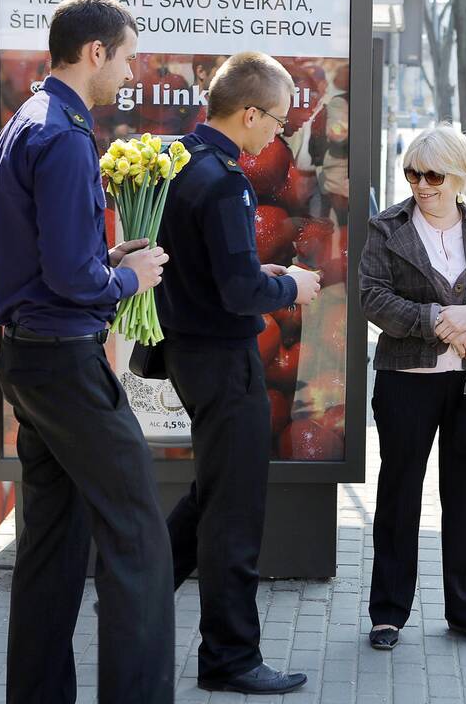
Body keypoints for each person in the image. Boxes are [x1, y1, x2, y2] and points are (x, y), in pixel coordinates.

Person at [0, 0, 174, 703]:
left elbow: (26, 254)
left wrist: (106, 256)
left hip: (31, 359)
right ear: (95, 52)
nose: (130, 72)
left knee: (52, 545)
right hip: (64, 363)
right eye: (127, 58)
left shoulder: (24, 122)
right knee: (138, 541)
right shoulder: (64, 134)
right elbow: (69, 276)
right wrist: (128, 275)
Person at [154, 51, 321, 695]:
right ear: (249, 113)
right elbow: (236, 288)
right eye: (276, 121)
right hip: (225, 361)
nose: (278, 133)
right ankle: (230, 657)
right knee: (235, 511)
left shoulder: (177, 163)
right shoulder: (226, 180)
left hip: (190, 355)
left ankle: (135, 591)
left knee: (211, 494)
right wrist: (289, 286)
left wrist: (265, 280)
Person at [358, 125, 466, 651]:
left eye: (434, 175)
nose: (422, 185)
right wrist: (437, 320)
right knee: (399, 494)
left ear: (459, 176)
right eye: (413, 174)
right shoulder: (386, 227)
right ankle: (388, 614)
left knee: (464, 495)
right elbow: (372, 298)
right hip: (405, 382)